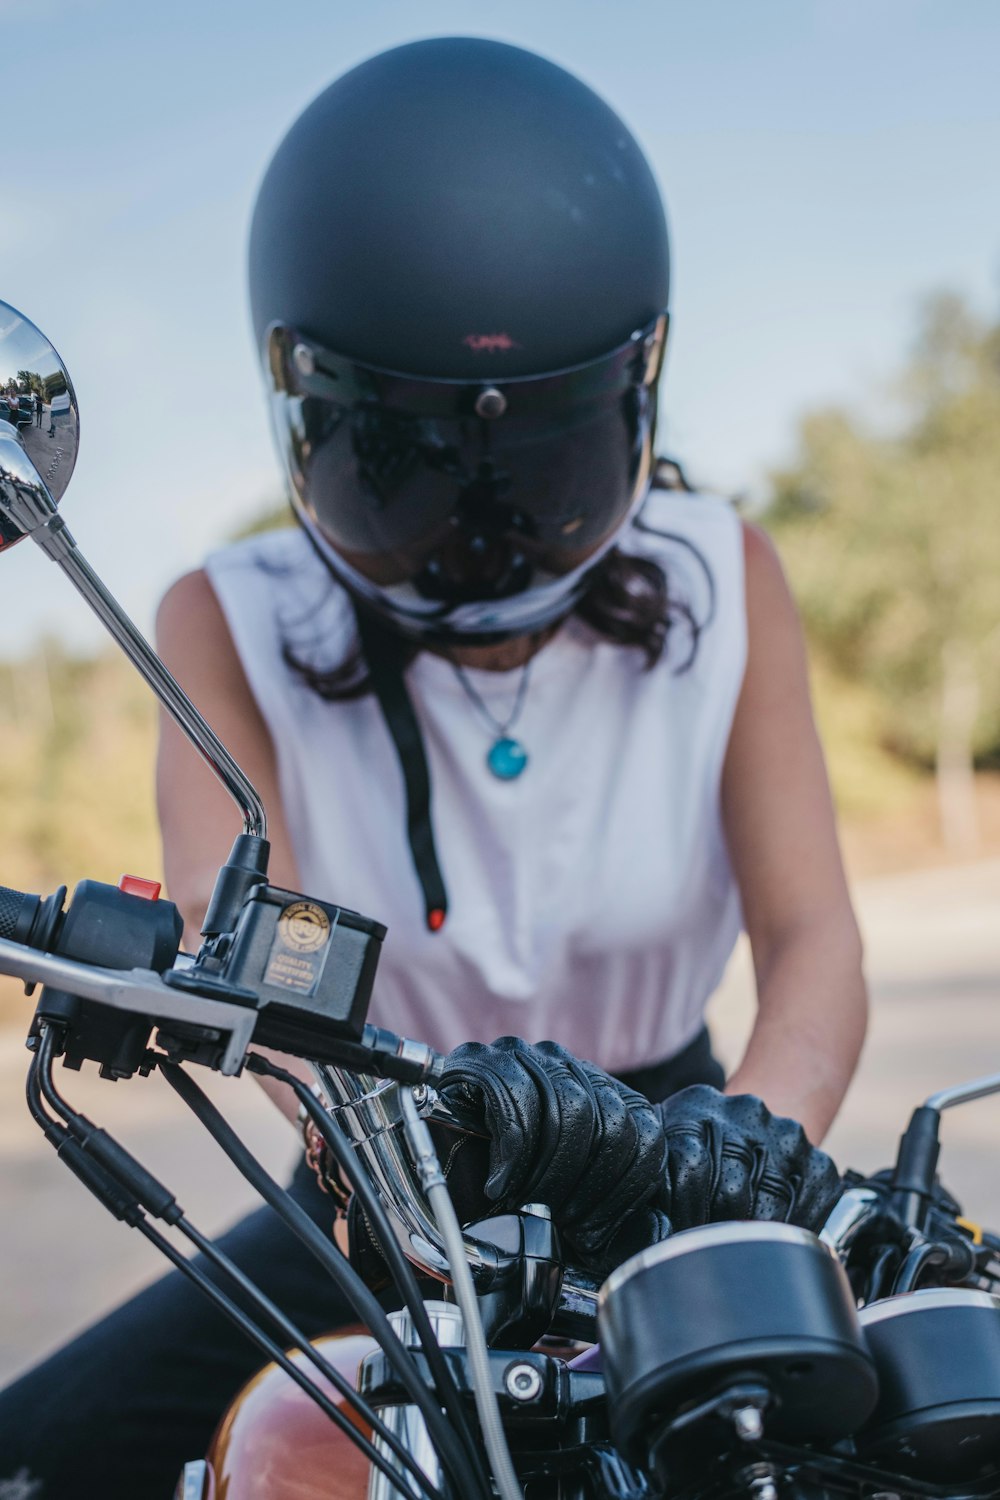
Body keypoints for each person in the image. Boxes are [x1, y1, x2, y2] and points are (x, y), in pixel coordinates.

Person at [0, 38, 865, 1498]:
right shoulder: (221, 617)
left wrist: (741, 1171)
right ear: (309, 410)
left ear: (634, 394)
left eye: (541, 454)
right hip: (381, 1153)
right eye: (412, 459)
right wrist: (399, 1189)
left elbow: (814, 939)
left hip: (694, 1145)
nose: (487, 523)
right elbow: (245, 971)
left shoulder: (729, 574)